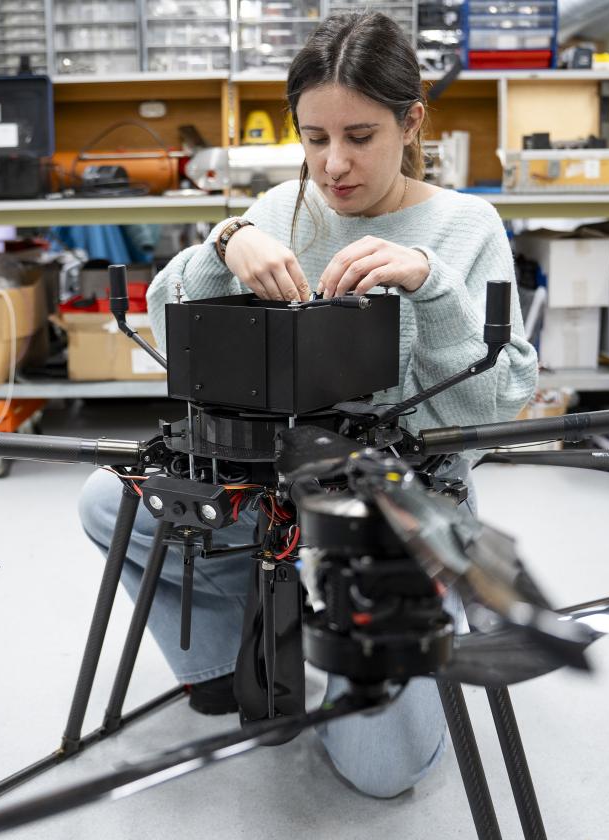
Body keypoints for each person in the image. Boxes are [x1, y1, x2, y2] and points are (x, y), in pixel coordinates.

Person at [79, 11, 538, 798]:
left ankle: (430, 618)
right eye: (314, 137)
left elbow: (498, 402)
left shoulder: (467, 226)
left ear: (411, 120)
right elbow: (163, 319)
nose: (333, 166)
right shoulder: (281, 209)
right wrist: (224, 242)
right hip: (268, 483)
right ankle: (227, 663)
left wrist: (431, 285)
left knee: (382, 775)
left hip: (397, 502)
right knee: (107, 502)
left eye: (360, 136)